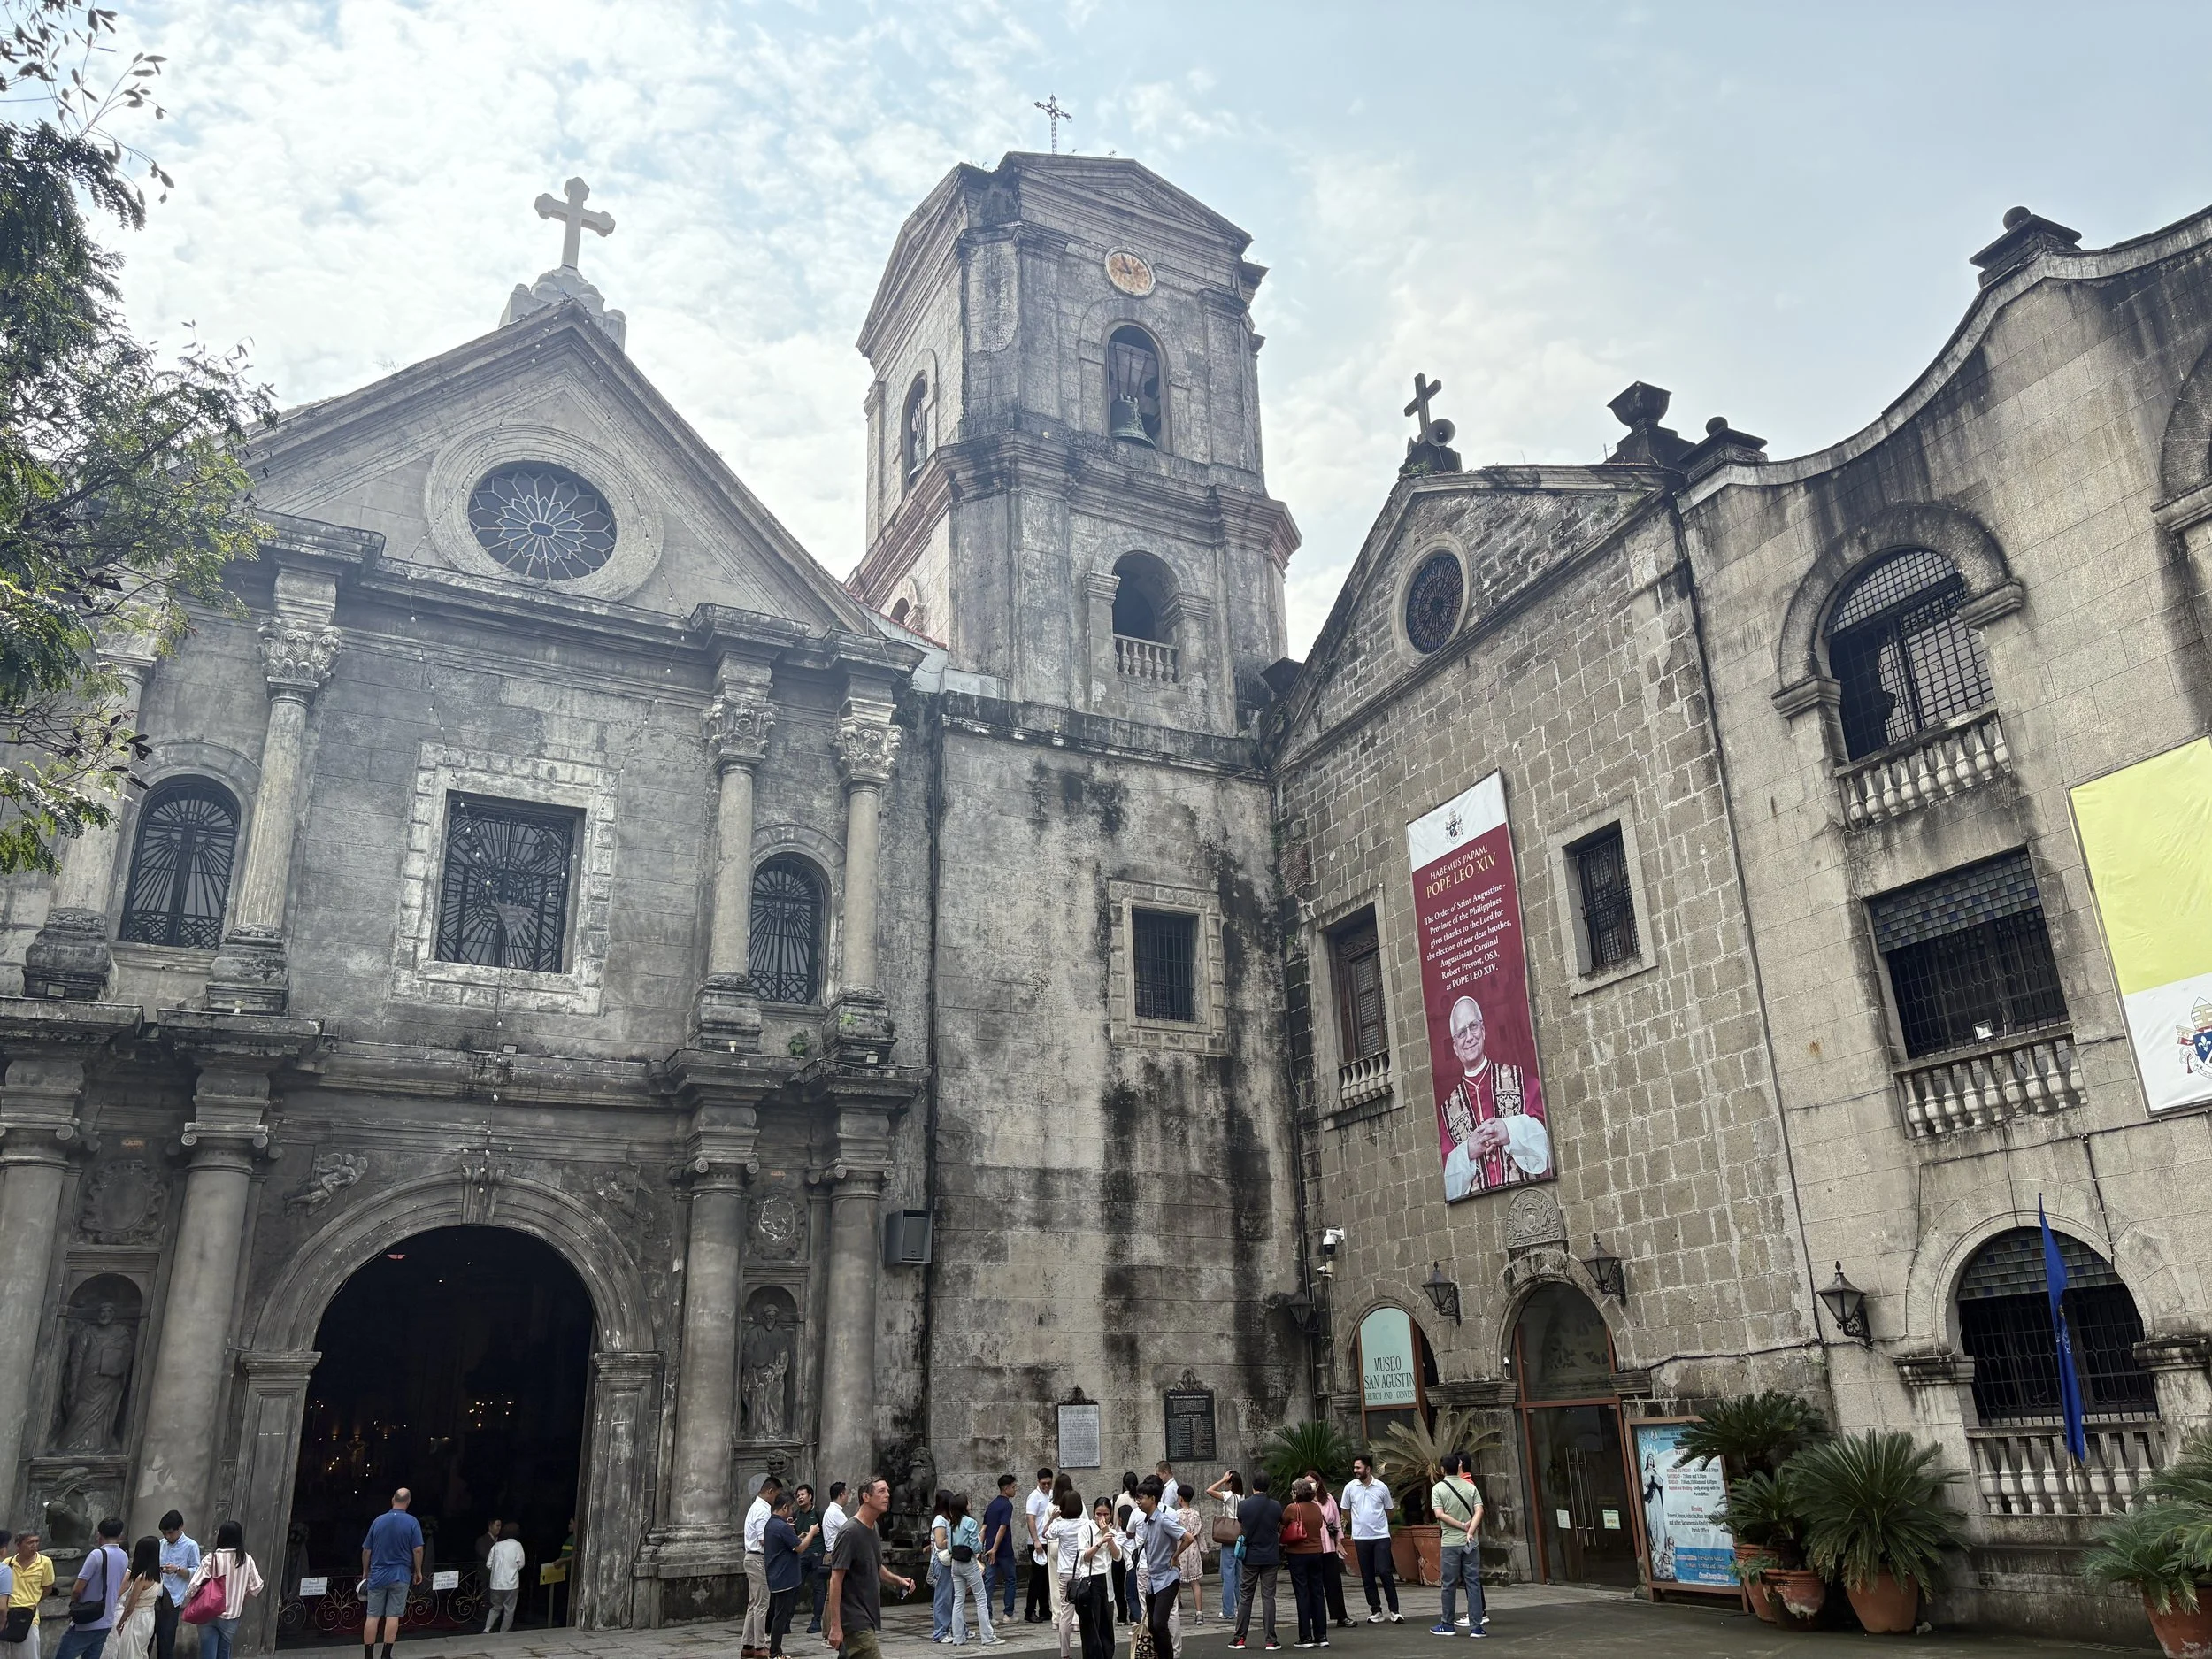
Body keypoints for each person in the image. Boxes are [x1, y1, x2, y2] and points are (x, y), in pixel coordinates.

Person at [1438, 996, 1549, 1201]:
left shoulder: (1521, 1081)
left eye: (1473, 1026)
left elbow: (1548, 1132)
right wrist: (1467, 1151)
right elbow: (1444, 1176)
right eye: (1461, 1033)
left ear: (1483, 1030)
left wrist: (1511, 1130)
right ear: (1455, 1046)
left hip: (1528, 1200)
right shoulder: (1447, 1113)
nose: (1469, 1037)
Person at [825, 1475, 916, 1659]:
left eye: (888, 1491)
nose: (888, 1495)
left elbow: (875, 1565)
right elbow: (835, 1579)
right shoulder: (850, 1531)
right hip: (854, 1619)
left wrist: (897, 1580)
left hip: (867, 1615)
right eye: (881, 1491)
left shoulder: (872, 1528)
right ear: (866, 1497)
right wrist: (834, 1626)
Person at [1124, 1478, 1185, 1659]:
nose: (1138, 1501)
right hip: (1151, 1579)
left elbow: (1187, 1537)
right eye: (1137, 1498)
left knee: (1159, 1623)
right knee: (1152, 1624)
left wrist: (1175, 1556)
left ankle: (1170, 1655)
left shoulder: (1164, 1520)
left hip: (1167, 1578)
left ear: (1153, 1498)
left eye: (1141, 1498)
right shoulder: (1146, 1520)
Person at [182, 1523, 262, 1659]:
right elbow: (257, 1587)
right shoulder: (246, 1560)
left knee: (208, 1654)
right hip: (231, 1615)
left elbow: (193, 1586)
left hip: (207, 1612)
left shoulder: (211, 1559)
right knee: (224, 1652)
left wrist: (191, 1598)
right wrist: (241, 1594)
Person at [360, 1489, 423, 1659]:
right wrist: (418, 1571)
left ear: (392, 1500)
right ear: (408, 1502)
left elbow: (367, 1550)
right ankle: (386, 1655)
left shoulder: (378, 1521)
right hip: (400, 1575)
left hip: (378, 1574)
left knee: (372, 1616)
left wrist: (366, 1571)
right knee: (393, 1616)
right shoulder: (412, 1522)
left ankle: (368, 1655)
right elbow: (417, 1549)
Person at [52, 1517, 127, 1659]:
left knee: (64, 1654)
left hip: (87, 1619)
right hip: (106, 1619)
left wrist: (74, 1605)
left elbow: (77, 1588)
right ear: (119, 1535)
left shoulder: (97, 1555)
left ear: (99, 1534)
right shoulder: (123, 1556)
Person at [1429, 1454, 1485, 1640]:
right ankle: (1477, 1627)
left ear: (1443, 1469)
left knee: (1449, 1584)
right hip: (1470, 1543)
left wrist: (1461, 1526)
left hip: (1450, 1543)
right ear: (1459, 1466)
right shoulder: (1470, 1487)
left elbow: (1439, 1514)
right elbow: (1480, 1510)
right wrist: (1470, 1531)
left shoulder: (1438, 1489)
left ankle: (1447, 1624)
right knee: (1473, 1584)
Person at [1340, 1458, 1399, 1624]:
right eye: (1354, 1467)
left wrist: (1381, 1525)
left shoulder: (1381, 1487)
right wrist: (1356, 1524)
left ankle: (1395, 1610)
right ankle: (1376, 1610)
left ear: (1368, 1469)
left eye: (1358, 1467)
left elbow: (1389, 1510)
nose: (1355, 1470)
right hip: (1360, 1537)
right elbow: (1345, 1510)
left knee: (1385, 1571)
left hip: (1381, 1536)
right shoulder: (1350, 1488)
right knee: (1367, 1575)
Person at [1228, 1473, 1280, 1653]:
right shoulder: (1275, 1506)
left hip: (1251, 1556)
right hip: (1271, 1556)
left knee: (1246, 1596)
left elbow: (1242, 1523)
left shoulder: (1244, 1505)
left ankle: (1240, 1637)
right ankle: (1271, 1640)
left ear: (1253, 1486)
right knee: (1268, 1597)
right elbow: (1279, 1525)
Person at [763, 1490, 811, 1659]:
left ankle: (777, 1651)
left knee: (778, 1614)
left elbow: (789, 1544)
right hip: (784, 1578)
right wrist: (811, 1534)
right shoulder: (782, 1526)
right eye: (790, 1508)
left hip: (775, 1576)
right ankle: (775, 1652)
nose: (792, 1512)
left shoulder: (771, 1524)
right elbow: (800, 1548)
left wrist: (798, 1537)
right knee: (780, 1617)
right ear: (784, 1507)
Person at [1281, 1480, 1328, 1651]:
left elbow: (1283, 1524)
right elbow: (1321, 1525)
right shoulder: (1316, 1508)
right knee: (1317, 1592)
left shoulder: (1293, 1508)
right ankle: (1321, 1635)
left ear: (1295, 1492)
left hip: (1298, 1554)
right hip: (1317, 1552)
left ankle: (1305, 1636)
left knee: (1302, 1593)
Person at [1300, 1471, 1348, 1629]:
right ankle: (1315, 1618)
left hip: (1328, 1546)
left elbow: (1336, 1522)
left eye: (1312, 1481)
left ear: (1318, 1483)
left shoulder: (1328, 1499)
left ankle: (1341, 1616)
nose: (1310, 1485)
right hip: (1311, 1548)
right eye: (1306, 1482)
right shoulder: (1302, 1502)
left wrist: (1339, 1542)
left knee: (1333, 1583)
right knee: (1313, 1585)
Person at [1070, 1502, 1119, 1659]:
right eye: (1099, 1514)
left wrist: (1108, 1537)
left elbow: (1117, 1556)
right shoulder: (1086, 1530)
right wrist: (1100, 1542)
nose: (1102, 1518)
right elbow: (1084, 1557)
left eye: (1105, 1514)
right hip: (1091, 1580)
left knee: (1107, 1626)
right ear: (1093, 1513)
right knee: (1091, 1628)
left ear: (1111, 1515)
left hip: (1107, 1580)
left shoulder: (1112, 1531)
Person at [943, 1494, 993, 1647]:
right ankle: (987, 1636)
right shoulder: (970, 1522)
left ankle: (958, 1637)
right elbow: (975, 1545)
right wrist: (979, 1546)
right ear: (964, 1506)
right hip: (969, 1563)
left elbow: (950, 1547)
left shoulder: (952, 1524)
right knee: (981, 1598)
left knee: (958, 1600)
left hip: (955, 1563)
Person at [744, 1474, 784, 1658]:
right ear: (769, 1491)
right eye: (776, 1495)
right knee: (761, 1605)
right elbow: (763, 1538)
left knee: (754, 1605)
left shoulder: (756, 1507)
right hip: (758, 1559)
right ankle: (760, 1647)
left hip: (752, 1558)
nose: (777, 1500)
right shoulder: (762, 1510)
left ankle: (748, 1645)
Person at [1042, 1491, 1084, 1659]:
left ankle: (1065, 1653)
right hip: (1084, 1573)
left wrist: (1052, 1518)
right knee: (1087, 1613)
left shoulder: (1060, 1525)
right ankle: (1090, 1649)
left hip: (1066, 1573)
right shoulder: (1086, 1524)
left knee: (1066, 1614)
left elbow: (1045, 1533)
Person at [105, 1540, 159, 1659]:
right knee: (140, 1651)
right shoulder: (158, 1574)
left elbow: (130, 1606)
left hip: (137, 1617)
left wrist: (120, 1624)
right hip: (149, 1616)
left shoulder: (142, 1577)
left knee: (130, 1651)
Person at [154, 1514, 198, 1659]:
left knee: (166, 1643)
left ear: (181, 1527)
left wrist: (177, 1570)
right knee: (146, 1640)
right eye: (164, 1533)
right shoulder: (160, 1544)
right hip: (154, 1596)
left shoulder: (191, 1545)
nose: (167, 1536)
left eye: (170, 1533)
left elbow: (196, 1572)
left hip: (172, 1599)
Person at [1204, 1471, 1244, 1630]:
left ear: (1231, 1483)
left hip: (1229, 1538)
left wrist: (1222, 1480)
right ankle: (1242, 1607)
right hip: (1240, 1538)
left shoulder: (1229, 1496)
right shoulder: (1243, 1497)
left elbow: (1209, 1490)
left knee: (1227, 1575)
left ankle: (1228, 1610)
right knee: (1239, 1574)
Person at [9, 1532, 54, 1659]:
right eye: (30, 1542)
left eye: (36, 1541)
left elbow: (47, 1588)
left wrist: (33, 1601)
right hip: (7, 1614)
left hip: (29, 1616)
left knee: (29, 1654)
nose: (34, 1545)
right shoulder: (8, 1563)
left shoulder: (45, 1563)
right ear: (18, 1545)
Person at [980, 1476, 1018, 1624]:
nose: (1015, 1490)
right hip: (1003, 1550)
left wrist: (982, 1547)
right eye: (1014, 1487)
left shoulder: (992, 1504)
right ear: (1006, 1488)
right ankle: (1008, 1613)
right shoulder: (1007, 1505)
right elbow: (1003, 1527)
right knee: (1010, 1580)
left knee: (989, 1582)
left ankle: (987, 1615)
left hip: (990, 1549)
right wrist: (995, 1548)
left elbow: (984, 1527)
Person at [793, 1486, 826, 1636]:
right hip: (802, 1555)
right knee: (794, 1587)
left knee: (819, 1588)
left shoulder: (819, 1514)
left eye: (803, 1494)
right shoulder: (795, 1516)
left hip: (817, 1554)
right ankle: (786, 1620)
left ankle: (816, 1620)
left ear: (810, 1497)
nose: (800, 1498)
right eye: (798, 1495)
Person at [1023, 1470, 1055, 1624]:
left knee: (1045, 1578)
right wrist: (1036, 1540)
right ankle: (1029, 1611)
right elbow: (1031, 1519)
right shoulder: (1034, 1497)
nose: (1046, 1486)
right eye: (1044, 1483)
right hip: (1037, 1541)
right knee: (1036, 1578)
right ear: (1038, 1482)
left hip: (1048, 1540)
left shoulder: (1051, 1494)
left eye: (1049, 1483)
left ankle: (1044, 1609)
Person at [484, 1524, 526, 1634]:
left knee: (495, 1607)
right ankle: (503, 1631)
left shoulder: (497, 1545)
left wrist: (498, 1571)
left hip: (496, 1583)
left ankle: (487, 1628)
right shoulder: (517, 1546)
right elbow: (521, 1564)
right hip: (511, 1583)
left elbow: (488, 1564)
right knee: (509, 1609)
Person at [1110, 1476, 1141, 1624]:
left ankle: (1126, 1616)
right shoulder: (1140, 1498)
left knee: (1121, 1587)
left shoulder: (1121, 1499)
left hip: (1127, 1562)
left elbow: (1115, 1521)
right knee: (1135, 1593)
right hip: (1138, 1562)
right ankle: (1133, 1617)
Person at [1172, 1486, 1203, 1625]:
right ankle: (1199, 1613)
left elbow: (1174, 1533)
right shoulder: (1196, 1514)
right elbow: (1200, 1533)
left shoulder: (1176, 1515)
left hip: (1181, 1548)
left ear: (1180, 1498)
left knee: (1176, 1581)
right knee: (1195, 1582)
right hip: (1193, 1548)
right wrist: (1203, 1548)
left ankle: (1176, 1609)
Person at [927, 1490, 955, 1642]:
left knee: (951, 1597)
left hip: (946, 1561)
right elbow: (940, 1542)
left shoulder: (945, 1519)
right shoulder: (939, 1520)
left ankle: (954, 1628)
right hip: (941, 1561)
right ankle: (940, 1632)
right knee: (943, 1597)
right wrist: (957, 1538)